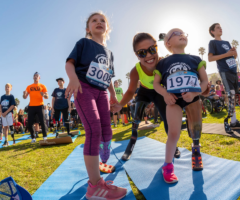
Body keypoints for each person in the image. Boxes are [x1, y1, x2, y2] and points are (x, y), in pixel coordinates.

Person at [65, 12, 127, 199]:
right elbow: (69, 63)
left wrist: (111, 94)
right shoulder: (83, 43)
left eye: (103, 21)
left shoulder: (110, 53)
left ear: (107, 28)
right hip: (84, 88)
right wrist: (73, 79)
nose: (99, 22)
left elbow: (108, 75)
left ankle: (99, 163)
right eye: (94, 20)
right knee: (93, 129)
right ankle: (95, 186)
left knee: (106, 130)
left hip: (101, 92)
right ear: (88, 28)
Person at [111, 32, 195, 161]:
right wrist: (120, 104)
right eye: (142, 53)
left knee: (168, 120)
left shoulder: (165, 63)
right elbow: (130, 91)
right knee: (136, 118)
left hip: (160, 93)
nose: (149, 55)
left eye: (152, 49)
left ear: (157, 47)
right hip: (144, 92)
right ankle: (131, 146)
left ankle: (174, 146)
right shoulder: (136, 70)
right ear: (136, 55)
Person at [153, 28, 208, 183]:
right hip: (173, 100)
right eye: (176, 34)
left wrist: (195, 93)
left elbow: (204, 81)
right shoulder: (162, 63)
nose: (182, 35)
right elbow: (156, 84)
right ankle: (168, 166)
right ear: (168, 43)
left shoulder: (196, 59)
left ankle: (196, 151)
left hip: (193, 98)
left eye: (183, 33)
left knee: (196, 128)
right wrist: (165, 94)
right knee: (173, 133)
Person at [208, 23, 240, 133]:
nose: (220, 28)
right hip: (224, 71)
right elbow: (210, 58)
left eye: (220, 27)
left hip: (233, 71)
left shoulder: (226, 42)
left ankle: (234, 122)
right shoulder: (212, 42)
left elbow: (233, 56)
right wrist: (227, 54)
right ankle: (229, 121)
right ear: (212, 31)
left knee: (233, 96)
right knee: (230, 94)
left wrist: (234, 53)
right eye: (217, 27)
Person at [23, 72, 49, 143]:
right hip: (31, 106)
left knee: (43, 121)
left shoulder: (42, 86)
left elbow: (47, 96)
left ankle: (45, 137)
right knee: (30, 122)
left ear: (39, 77)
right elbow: (25, 97)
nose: (35, 77)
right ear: (33, 77)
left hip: (40, 106)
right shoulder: (29, 86)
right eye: (34, 76)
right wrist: (24, 94)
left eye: (37, 76)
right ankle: (33, 138)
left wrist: (43, 95)